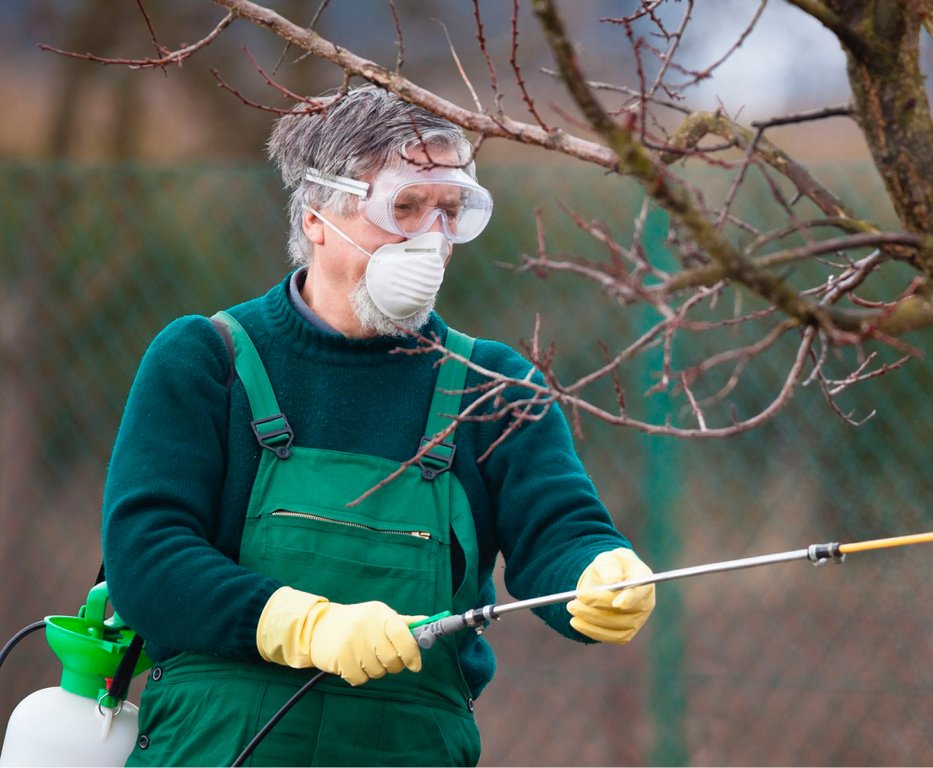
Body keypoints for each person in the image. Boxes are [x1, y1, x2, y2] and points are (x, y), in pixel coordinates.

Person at [101, 84, 656, 767]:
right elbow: (146, 559)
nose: (432, 238)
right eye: (404, 207)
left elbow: (560, 531)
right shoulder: (205, 361)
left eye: (450, 211)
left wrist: (600, 573)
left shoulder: (491, 384)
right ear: (315, 214)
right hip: (219, 744)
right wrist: (301, 624)